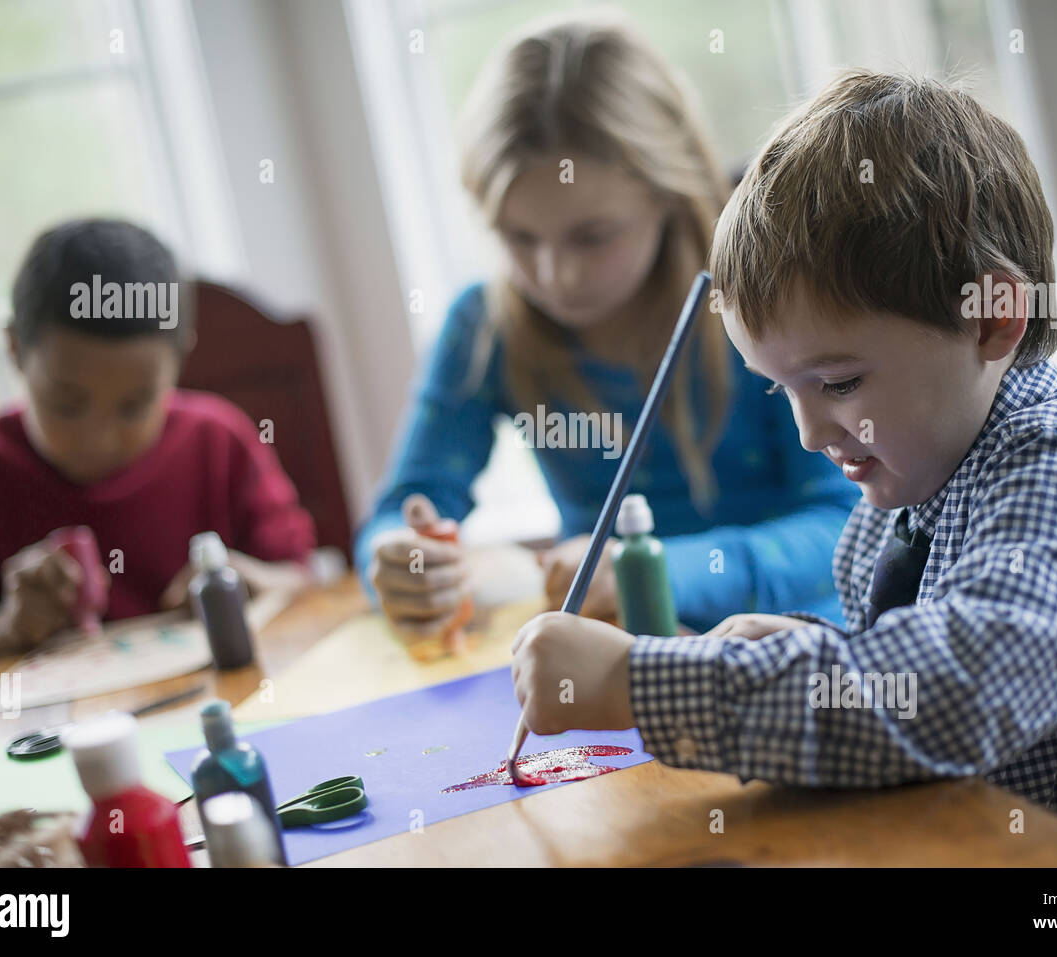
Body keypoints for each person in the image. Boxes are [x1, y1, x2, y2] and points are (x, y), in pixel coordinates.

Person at [508, 70, 1057, 868]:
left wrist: (641, 680)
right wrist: (809, 647)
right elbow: (913, 662)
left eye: (839, 383)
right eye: (782, 390)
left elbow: (952, 693)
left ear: (993, 318)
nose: (811, 433)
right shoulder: (915, 469)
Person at [356, 12, 855, 648]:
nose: (555, 275)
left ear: (669, 193)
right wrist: (405, 558)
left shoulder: (768, 293)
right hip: (608, 668)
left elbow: (845, 522)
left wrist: (653, 570)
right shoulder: (485, 328)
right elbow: (404, 506)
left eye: (592, 236)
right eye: (520, 237)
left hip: (798, 651)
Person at [0, 219, 315, 667]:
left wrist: (248, 581)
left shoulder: (220, 442)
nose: (98, 437)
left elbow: (300, 577)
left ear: (181, 358)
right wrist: (6, 624)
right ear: (14, 351)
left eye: (134, 405)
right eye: (67, 404)